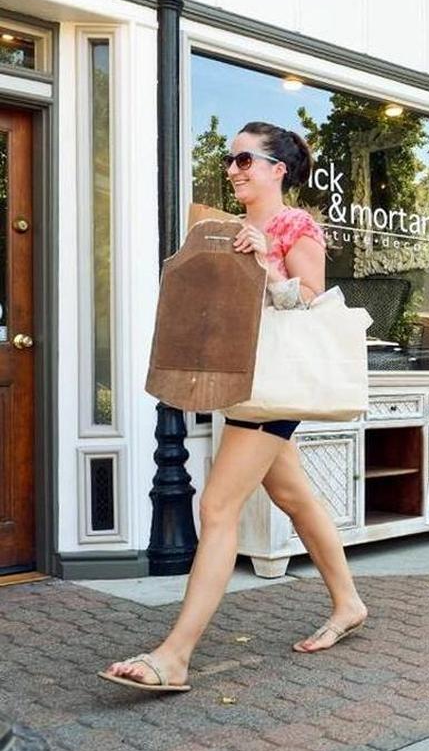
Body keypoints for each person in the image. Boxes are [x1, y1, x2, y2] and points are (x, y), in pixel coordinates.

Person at [100, 122, 368, 693]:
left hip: (274, 383)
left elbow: (314, 299)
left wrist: (269, 264)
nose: (233, 170)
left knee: (217, 508)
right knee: (292, 494)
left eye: (245, 160)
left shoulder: (296, 225)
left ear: (278, 170)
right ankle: (348, 603)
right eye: (231, 161)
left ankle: (175, 656)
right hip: (242, 380)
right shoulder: (231, 227)